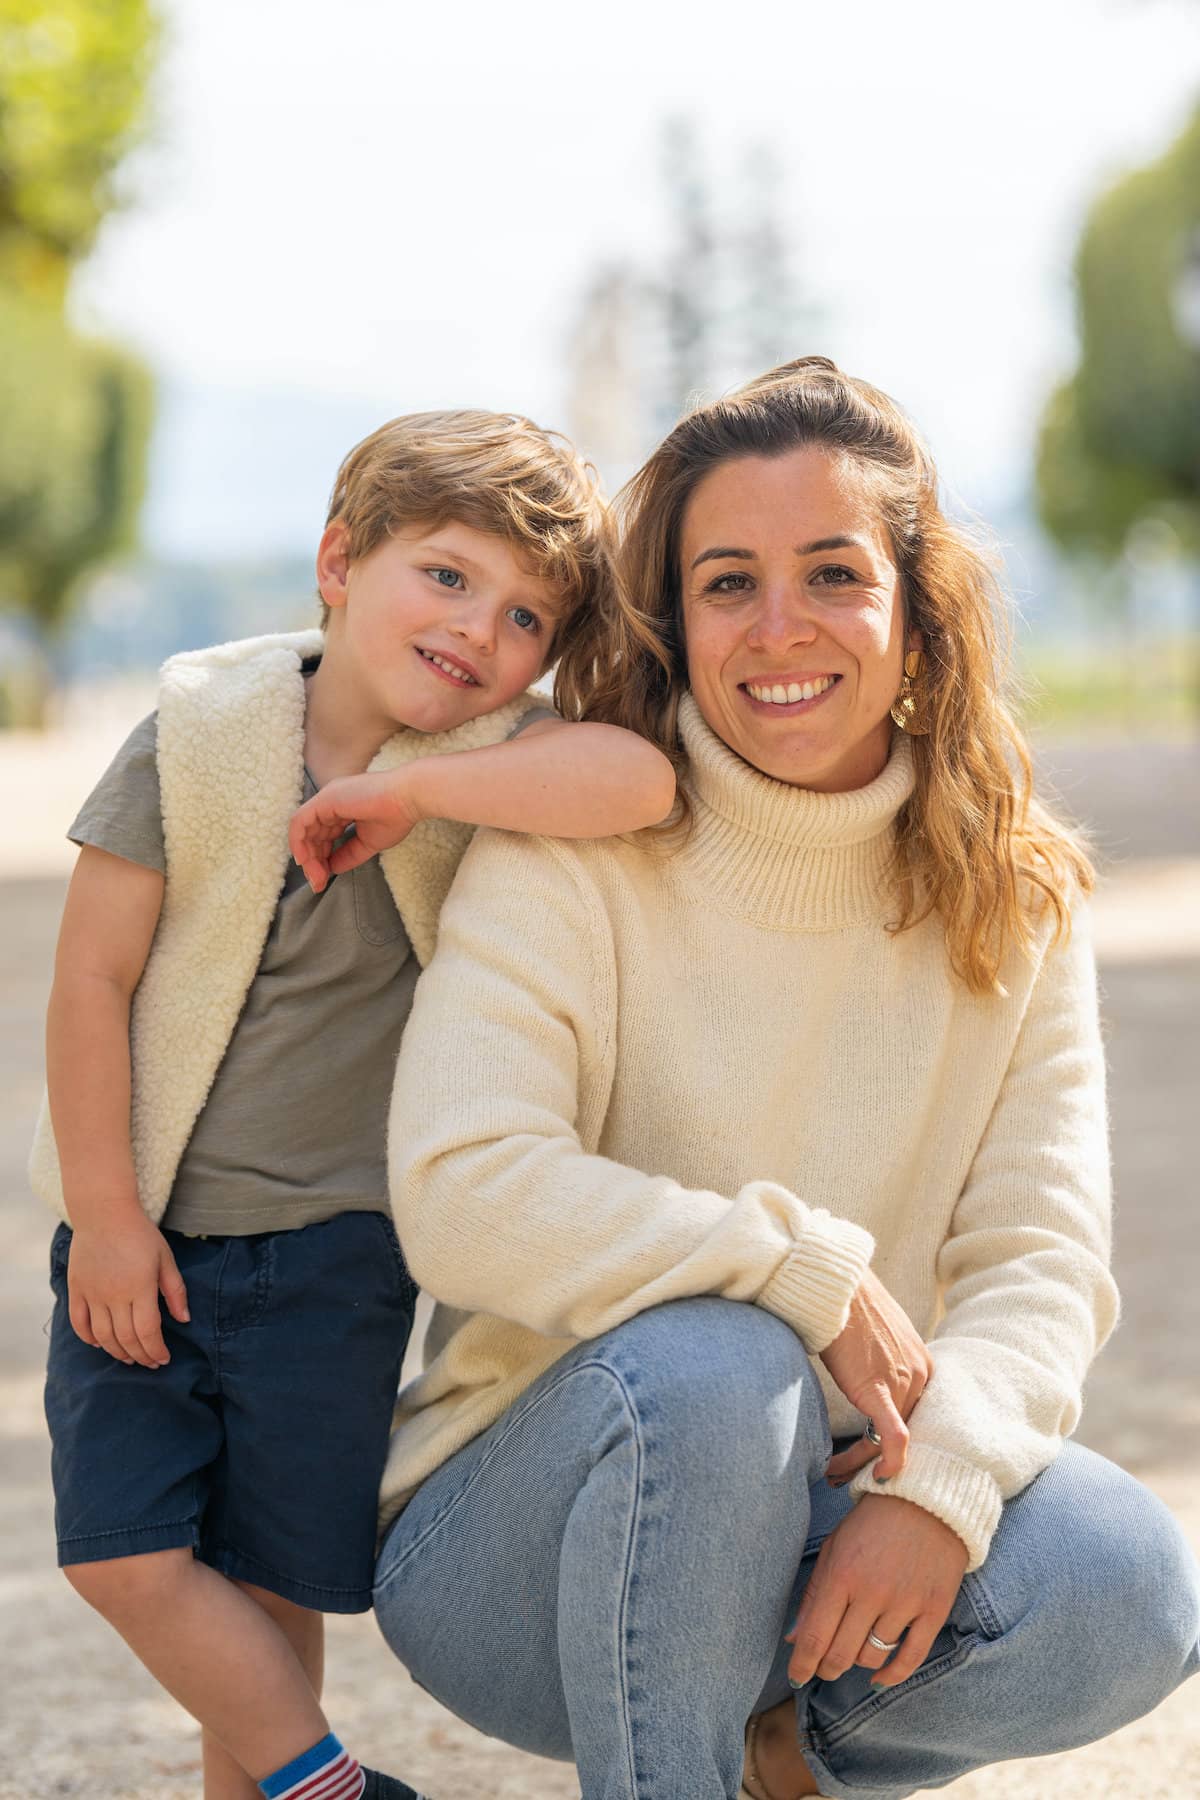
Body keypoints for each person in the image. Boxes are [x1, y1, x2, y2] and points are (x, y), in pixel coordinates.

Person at [370, 361, 1200, 1800]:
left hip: (824, 1520)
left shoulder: (1015, 902)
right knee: (720, 1353)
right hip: (518, 1539)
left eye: (832, 574)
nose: (780, 629)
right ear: (672, 626)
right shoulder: (564, 850)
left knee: (1133, 1587)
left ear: (915, 616)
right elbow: (458, 1189)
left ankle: (775, 1749)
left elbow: (1037, 1263)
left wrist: (937, 1491)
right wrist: (789, 1267)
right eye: (727, 584)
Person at [31, 409, 676, 1800]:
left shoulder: (494, 769)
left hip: (338, 1255)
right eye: (445, 576)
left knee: (273, 1585)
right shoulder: (196, 743)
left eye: (522, 617)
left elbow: (642, 779)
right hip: (148, 1235)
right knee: (125, 1554)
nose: (476, 629)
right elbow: (91, 982)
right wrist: (105, 1216)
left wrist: (424, 786)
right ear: (340, 559)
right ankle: (332, 1788)